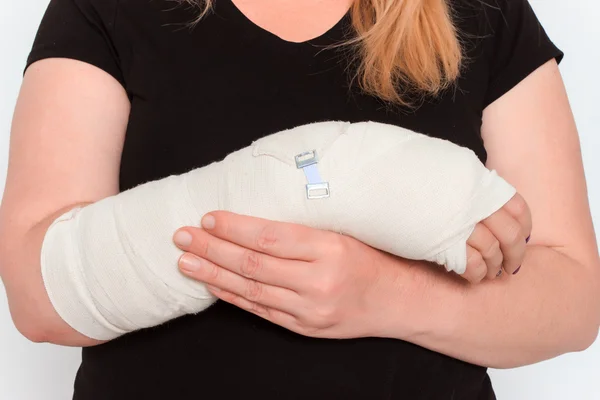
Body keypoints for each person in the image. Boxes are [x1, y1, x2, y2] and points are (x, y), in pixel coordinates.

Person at [0, 0, 598, 398]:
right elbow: (41, 292)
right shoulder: (106, 8)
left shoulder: (483, 12)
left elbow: (574, 302)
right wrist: (312, 184)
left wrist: (384, 294)